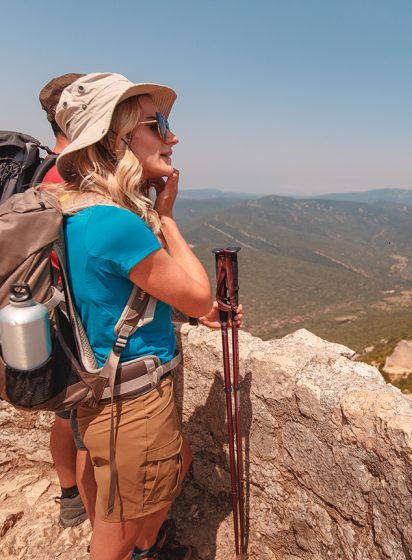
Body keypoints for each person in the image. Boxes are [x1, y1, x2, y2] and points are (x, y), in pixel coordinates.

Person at [52, 72, 239, 560]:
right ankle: (139, 549)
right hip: (132, 402)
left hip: (100, 391)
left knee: (144, 484)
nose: (173, 137)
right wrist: (169, 216)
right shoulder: (114, 222)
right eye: (158, 125)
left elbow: (113, 294)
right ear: (116, 139)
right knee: (116, 534)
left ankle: (145, 548)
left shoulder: (71, 207)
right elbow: (199, 297)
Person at [38, 72, 93, 529]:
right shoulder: (69, 176)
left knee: (64, 415)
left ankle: (69, 496)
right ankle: (105, 529)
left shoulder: (38, 170)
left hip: (44, 311)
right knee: (86, 432)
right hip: (75, 323)